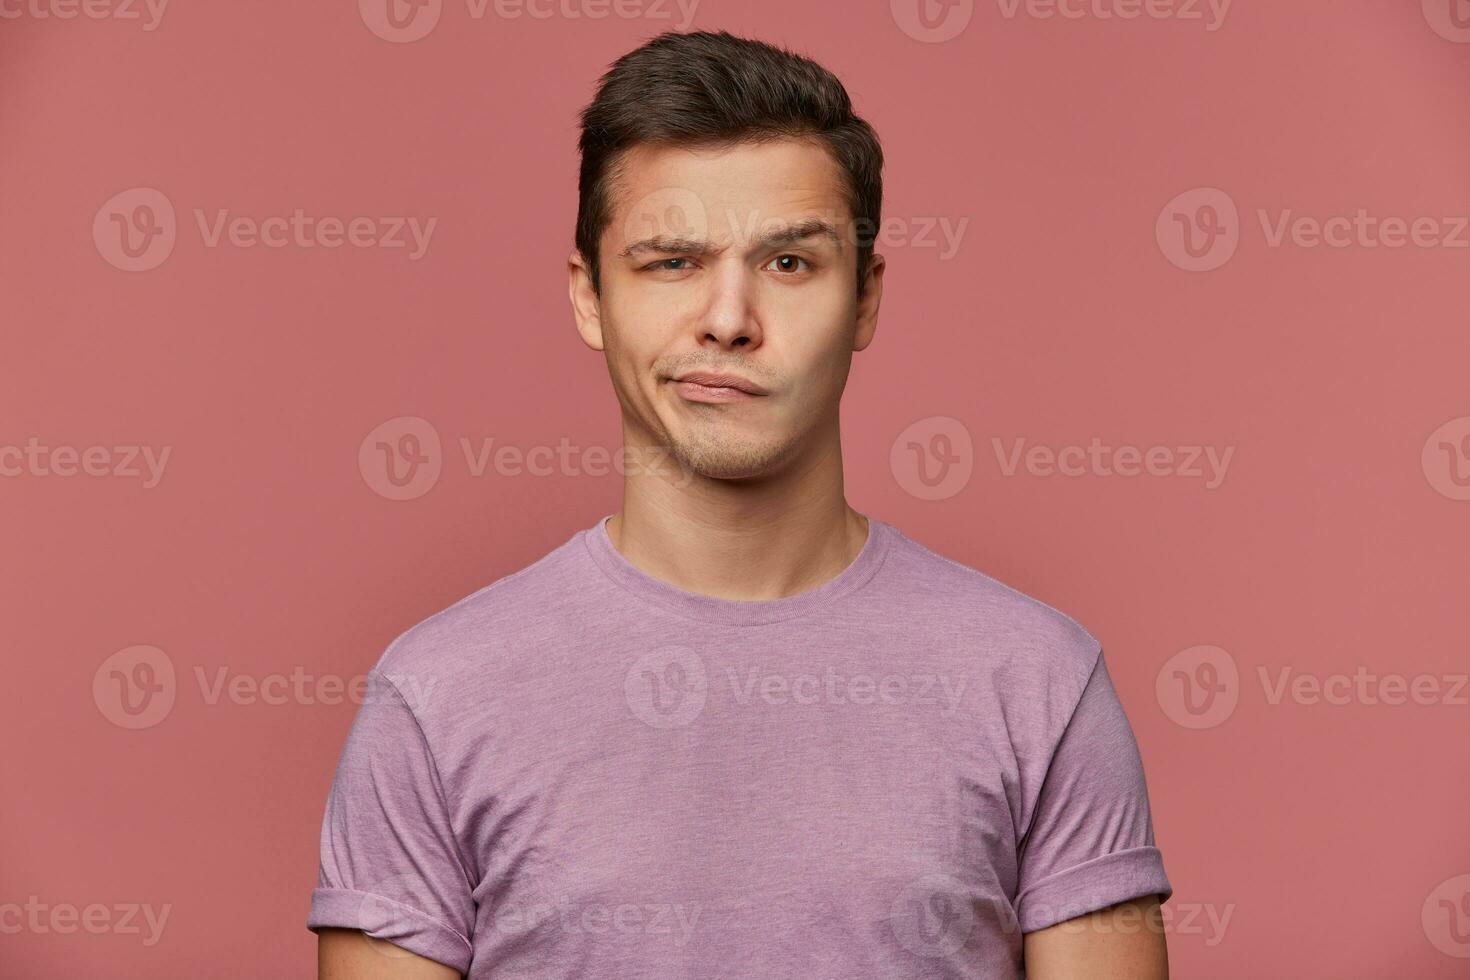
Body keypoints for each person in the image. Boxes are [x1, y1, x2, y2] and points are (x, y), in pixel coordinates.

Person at [309, 29, 1171, 979]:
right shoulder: (435, 699)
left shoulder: (1040, 685)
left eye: (789, 263)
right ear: (590, 296)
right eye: (670, 262)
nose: (728, 319)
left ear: (867, 297)